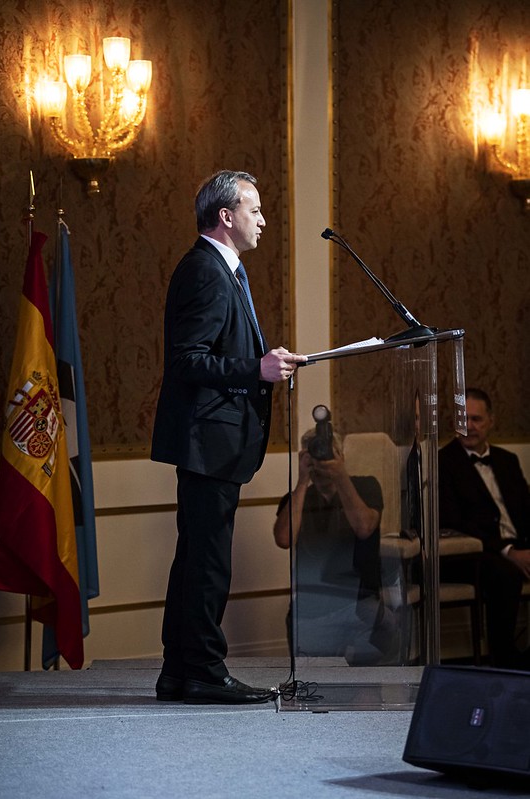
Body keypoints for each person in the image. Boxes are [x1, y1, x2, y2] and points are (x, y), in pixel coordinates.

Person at [151, 170, 306, 704]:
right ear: (227, 216)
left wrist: (261, 364)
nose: (262, 220)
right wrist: (255, 370)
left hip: (215, 441)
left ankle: (180, 671)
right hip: (208, 440)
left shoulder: (224, 271)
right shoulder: (205, 271)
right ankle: (203, 672)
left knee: (197, 557)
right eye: (255, 210)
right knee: (208, 562)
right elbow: (188, 360)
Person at [273, 427, 397, 665]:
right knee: (316, 690)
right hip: (312, 609)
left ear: (342, 456)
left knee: (387, 628)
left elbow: (364, 527)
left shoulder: (366, 486)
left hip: (360, 604)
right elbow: (284, 539)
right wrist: (302, 481)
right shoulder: (298, 499)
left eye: (330, 453)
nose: (323, 460)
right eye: (317, 453)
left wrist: (341, 476)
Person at [438, 387, 530, 670]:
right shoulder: (442, 462)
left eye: (476, 419)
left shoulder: (507, 460)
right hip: (473, 553)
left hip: (517, 544)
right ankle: (504, 663)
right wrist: (509, 551)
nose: (470, 426)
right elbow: (453, 522)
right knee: (505, 574)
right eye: (463, 419)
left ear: (491, 420)